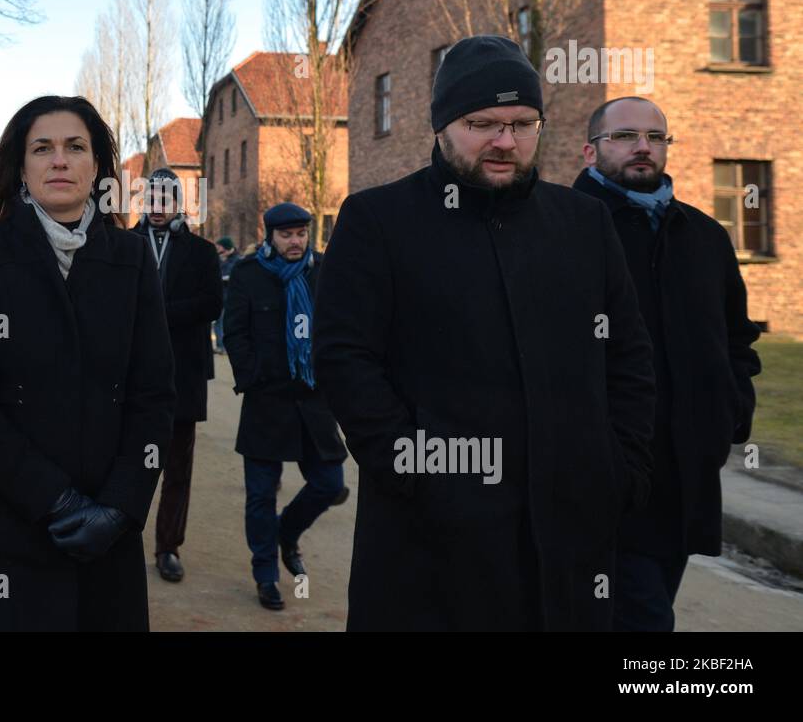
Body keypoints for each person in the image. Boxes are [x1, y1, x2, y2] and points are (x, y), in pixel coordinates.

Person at [314, 35, 656, 631]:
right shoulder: (378, 221)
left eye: (524, 124)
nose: (506, 141)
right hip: (427, 548)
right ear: (442, 124)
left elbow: (629, 358)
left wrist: (619, 468)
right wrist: (413, 469)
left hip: (566, 541)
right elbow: (345, 359)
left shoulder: (582, 223)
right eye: (483, 123)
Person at [0, 95, 175, 631]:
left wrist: (120, 507)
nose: (59, 160)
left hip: (106, 529)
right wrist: (55, 500)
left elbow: (153, 394)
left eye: (75, 147)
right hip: (8, 521)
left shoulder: (132, 258)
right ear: (22, 167)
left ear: (97, 167)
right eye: (42, 148)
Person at [572, 97, 760, 631]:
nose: (643, 147)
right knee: (643, 621)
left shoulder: (703, 237)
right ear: (591, 151)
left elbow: (738, 339)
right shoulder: (563, 231)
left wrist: (731, 410)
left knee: (646, 611)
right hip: (599, 479)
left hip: (682, 477)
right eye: (626, 136)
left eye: (656, 137)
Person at [222, 202, 348, 611]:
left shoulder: (324, 272)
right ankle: (266, 576)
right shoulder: (248, 274)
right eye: (286, 235)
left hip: (314, 401)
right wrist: (253, 374)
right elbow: (234, 331)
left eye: (301, 234)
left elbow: (340, 324)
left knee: (330, 483)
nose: (295, 242)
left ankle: (286, 534)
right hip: (267, 401)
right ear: (270, 237)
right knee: (260, 495)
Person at [134, 168, 223, 583]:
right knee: (125, 463)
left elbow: (211, 303)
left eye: (165, 200)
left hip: (182, 378)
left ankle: (168, 547)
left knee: (177, 470)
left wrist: (160, 315)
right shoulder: (121, 245)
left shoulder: (202, 252)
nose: (156, 208)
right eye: (150, 199)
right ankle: (118, 539)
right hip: (130, 378)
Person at [213, 237, 239, 354]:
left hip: (231, 297)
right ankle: (220, 345)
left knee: (228, 322)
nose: (217, 248)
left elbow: (232, 276)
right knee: (218, 321)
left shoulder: (236, 260)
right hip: (219, 296)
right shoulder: (217, 258)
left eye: (220, 246)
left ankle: (226, 345)